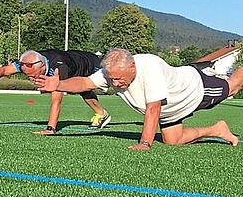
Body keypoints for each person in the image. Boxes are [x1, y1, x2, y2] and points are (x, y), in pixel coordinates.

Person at [34, 48, 241, 150]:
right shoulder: (111, 73)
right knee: (173, 140)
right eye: (112, 79)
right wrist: (59, 84)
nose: (115, 83)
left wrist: (145, 143)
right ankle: (217, 130)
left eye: (119, 78)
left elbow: (153, 109)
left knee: (232, 87)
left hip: (194, 90)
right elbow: (86, 84)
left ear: (132, 66)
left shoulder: (149, 66)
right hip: (171, 110)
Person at [0, 49, 112, 134]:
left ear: (42, 66)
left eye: (33, 75)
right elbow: (5, 70)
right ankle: (101, 114)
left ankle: (102, 113)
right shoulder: (28, 61)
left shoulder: (58, 68)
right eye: (27, 76)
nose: (31, 78)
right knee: (82, 91)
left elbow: (56, 100)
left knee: (85, 89)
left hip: (90, 63)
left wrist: (50, 128)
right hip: (74, 59)